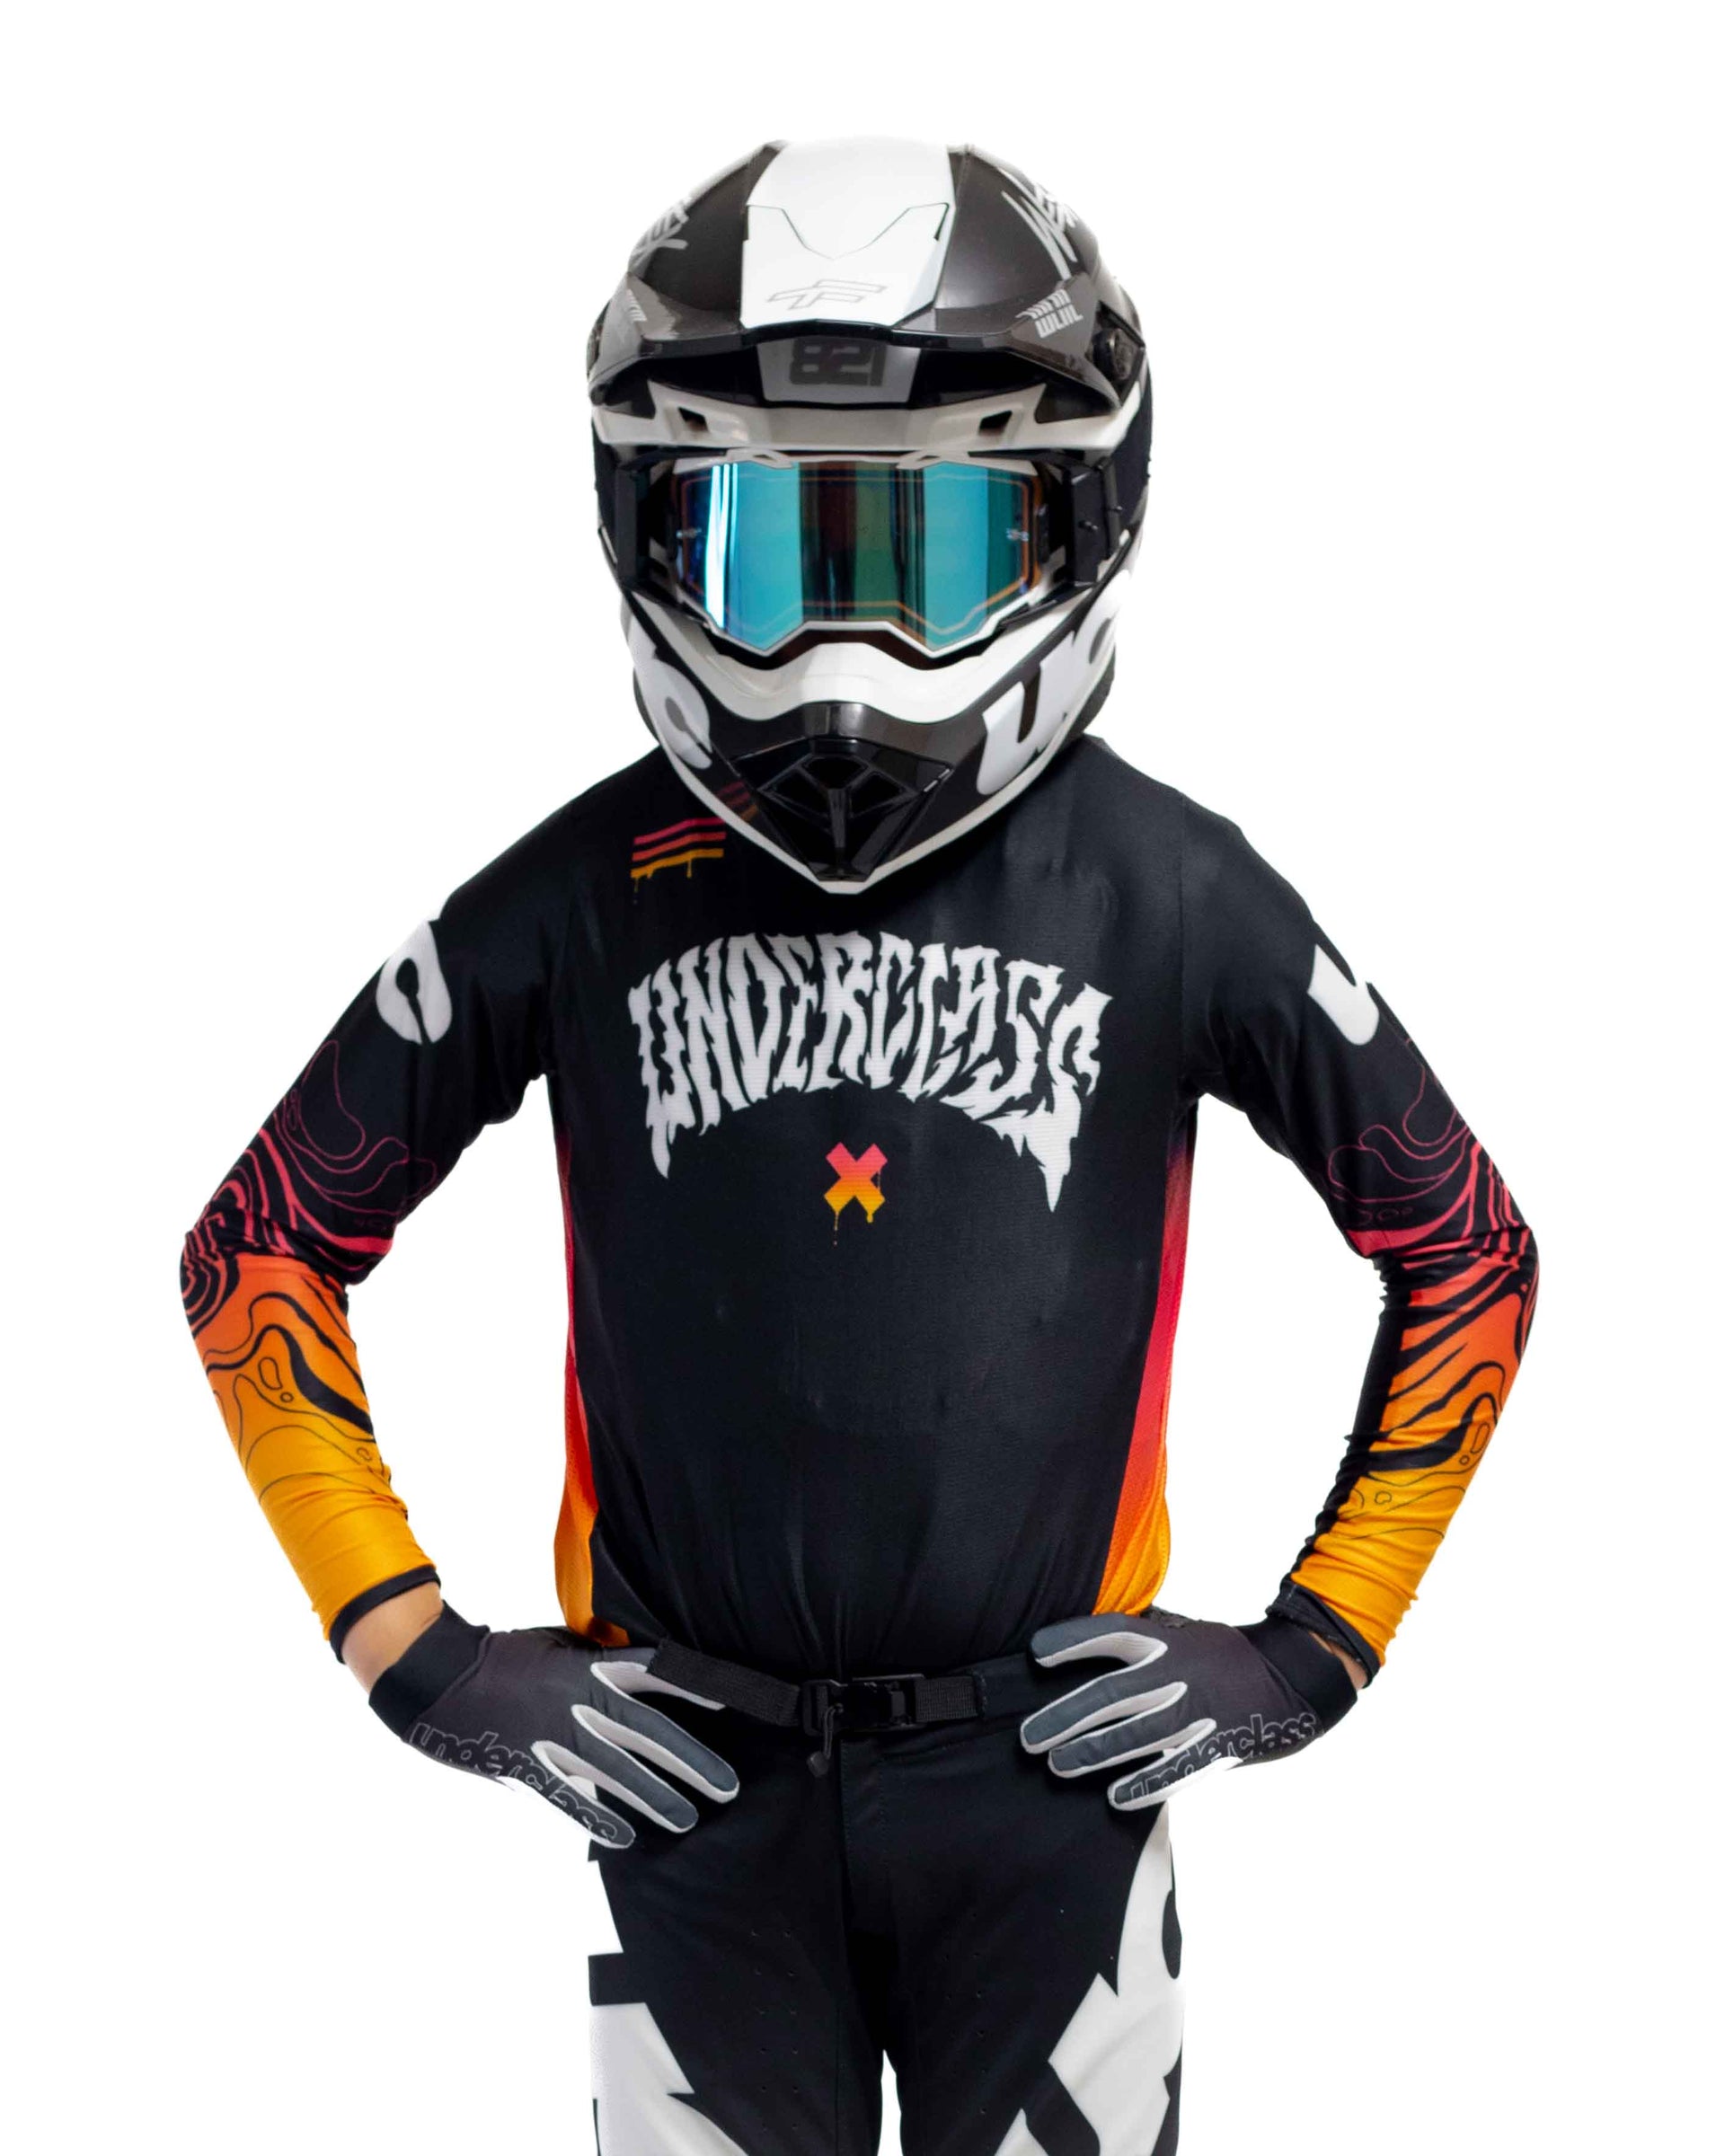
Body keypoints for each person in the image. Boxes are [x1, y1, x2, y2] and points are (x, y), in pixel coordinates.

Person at [182, 137, 1538, 2156]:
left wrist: (1317, 1645)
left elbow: (1468, 1247)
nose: (843, 648)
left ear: (1076, 522)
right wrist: (420, 1657)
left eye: (939, 547)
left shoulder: (1164, 889)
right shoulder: (585, 891)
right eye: (767, 546)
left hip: (1046, 1780)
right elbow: (258, 1244)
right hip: (694, 1782)